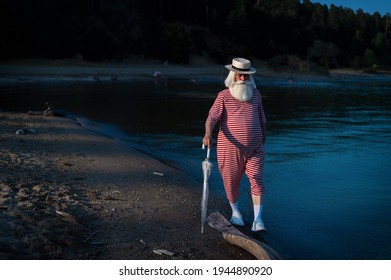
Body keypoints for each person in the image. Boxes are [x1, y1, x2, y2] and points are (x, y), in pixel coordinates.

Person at [202, 57, 267, 231]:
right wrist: (208, 134)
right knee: (231, 182)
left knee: (257, 179)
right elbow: (212, 118)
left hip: (255, 148)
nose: (243, 79)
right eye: (240, 75)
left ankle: (258, 220)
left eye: (246, 76)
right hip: (230, 148)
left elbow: (262, 120)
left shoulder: (256, 95)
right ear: (233, 75)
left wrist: (263, 139)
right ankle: (236, 213)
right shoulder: (223, 96)